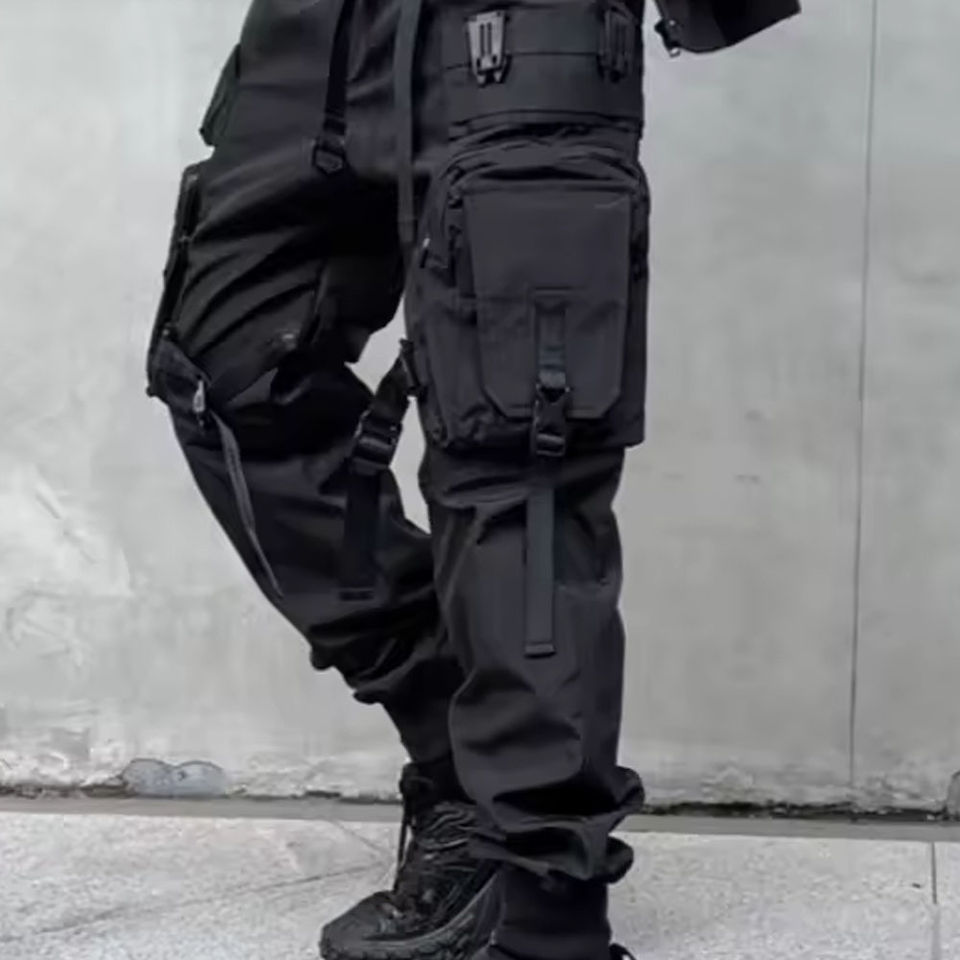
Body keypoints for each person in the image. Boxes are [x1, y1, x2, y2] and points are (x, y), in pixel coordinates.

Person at [145, 1, 799, 958]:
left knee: (520, 453)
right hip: (316, 37)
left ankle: (541, 902)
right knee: (224, 373)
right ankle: (461, 752)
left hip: (520, 35)